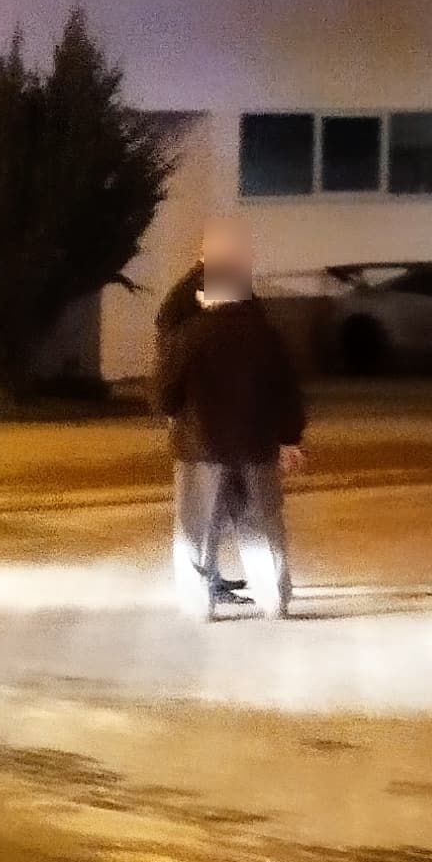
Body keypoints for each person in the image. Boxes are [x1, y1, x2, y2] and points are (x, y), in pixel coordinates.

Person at [152, 219, 308, 619]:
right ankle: (274, 598)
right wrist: (290, 438)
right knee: (261, 521)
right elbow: (287, 389)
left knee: (196, 526)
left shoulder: (190, 333)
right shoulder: (265, 333)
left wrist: (173, 415)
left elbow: (165, 391)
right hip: (255, 444)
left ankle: (197, 604)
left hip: (201, 444)